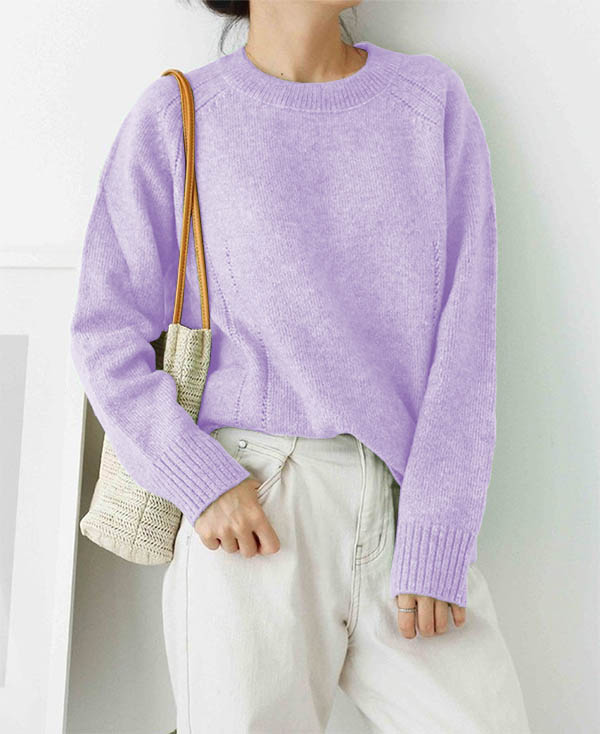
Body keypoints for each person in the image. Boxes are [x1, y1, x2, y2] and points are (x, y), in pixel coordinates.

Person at [69, 0, 532, 731]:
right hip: (252, 507)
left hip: (402, 508)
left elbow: (466, 339)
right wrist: (202, 481)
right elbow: (103, 329)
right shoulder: (180, 115)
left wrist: (439, 530)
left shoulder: (429, 103)